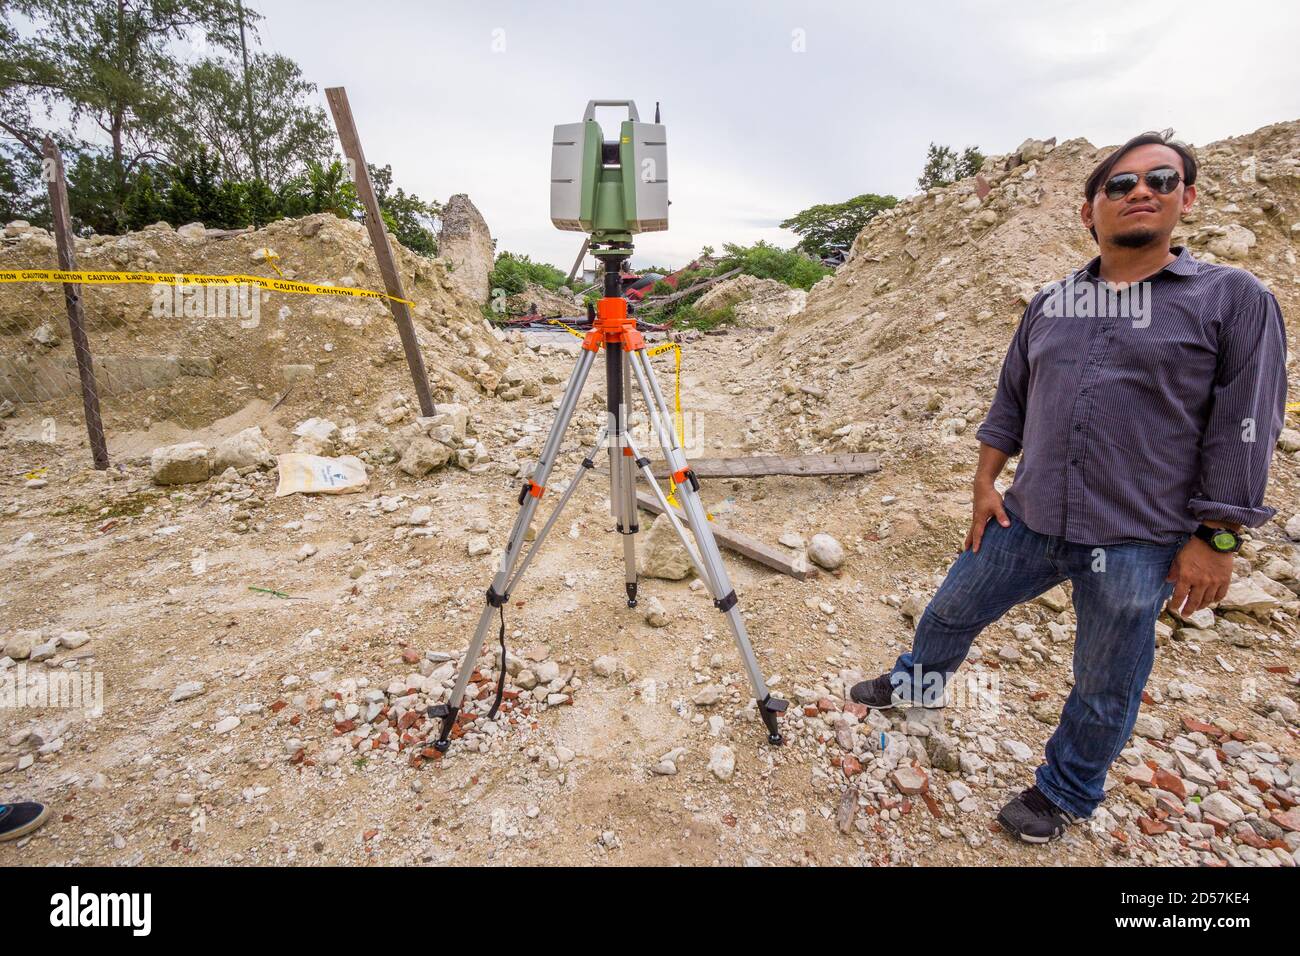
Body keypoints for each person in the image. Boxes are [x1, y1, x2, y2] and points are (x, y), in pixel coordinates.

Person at [851, 130, 1289, 844]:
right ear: (1090, 211)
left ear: (1188, 197)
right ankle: (911, 687)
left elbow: (1247, 422)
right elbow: (1010, 401)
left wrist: (1218, 538)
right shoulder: (1052, 302)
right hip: (1030, 516)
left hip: (1138, 538)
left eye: (1159, 179)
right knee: (950, 612)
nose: (1138, 192)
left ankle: (1065, 791)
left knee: (1103, 678)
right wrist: (985, 483)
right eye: (1118, 185)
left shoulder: (1231, 299)